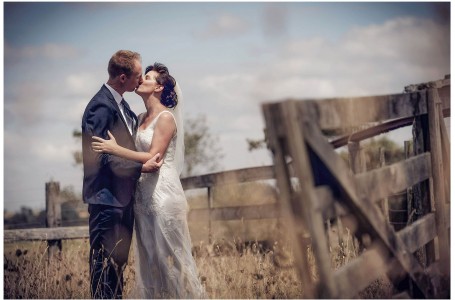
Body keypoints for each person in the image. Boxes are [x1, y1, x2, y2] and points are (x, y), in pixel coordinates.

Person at [91, 62, 206, 299]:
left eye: (148, 77)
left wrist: (114, 149)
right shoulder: (141, 117)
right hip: (142, 198)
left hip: (163, 197)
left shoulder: (166, 118)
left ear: (158, 88)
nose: (141, 79)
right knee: (150, 263)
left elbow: (153, 156)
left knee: (172, 263)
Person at [81, 50, 163, 299]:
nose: (140, 80)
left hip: (124, 201)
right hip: (106, 202)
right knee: (103, 270)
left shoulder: (123, 105)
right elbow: (99, 156)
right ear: (123, 77)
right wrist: (141, 167)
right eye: (138, 75)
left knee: (117, 270)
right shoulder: (100, 107)